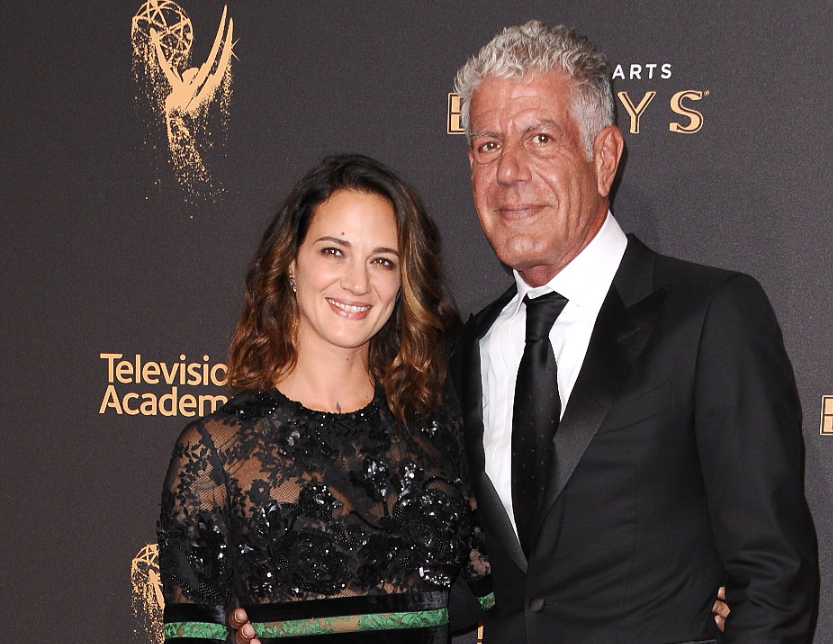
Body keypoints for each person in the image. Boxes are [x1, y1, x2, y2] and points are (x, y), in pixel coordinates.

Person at [446, 20, 817, 643]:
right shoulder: (466, 348)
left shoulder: (710, 318)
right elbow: (460, 586)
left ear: (605, 156)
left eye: (540, 138)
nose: (507, 171)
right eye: (487, 145)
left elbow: (774, 579)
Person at [157, 154, 492, 644]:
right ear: (291, 263)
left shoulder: (436, 433)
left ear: (402, 282)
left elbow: (505, 590)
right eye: (334, 251)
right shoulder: (215, 455)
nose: (358, 283)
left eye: (382, 260)